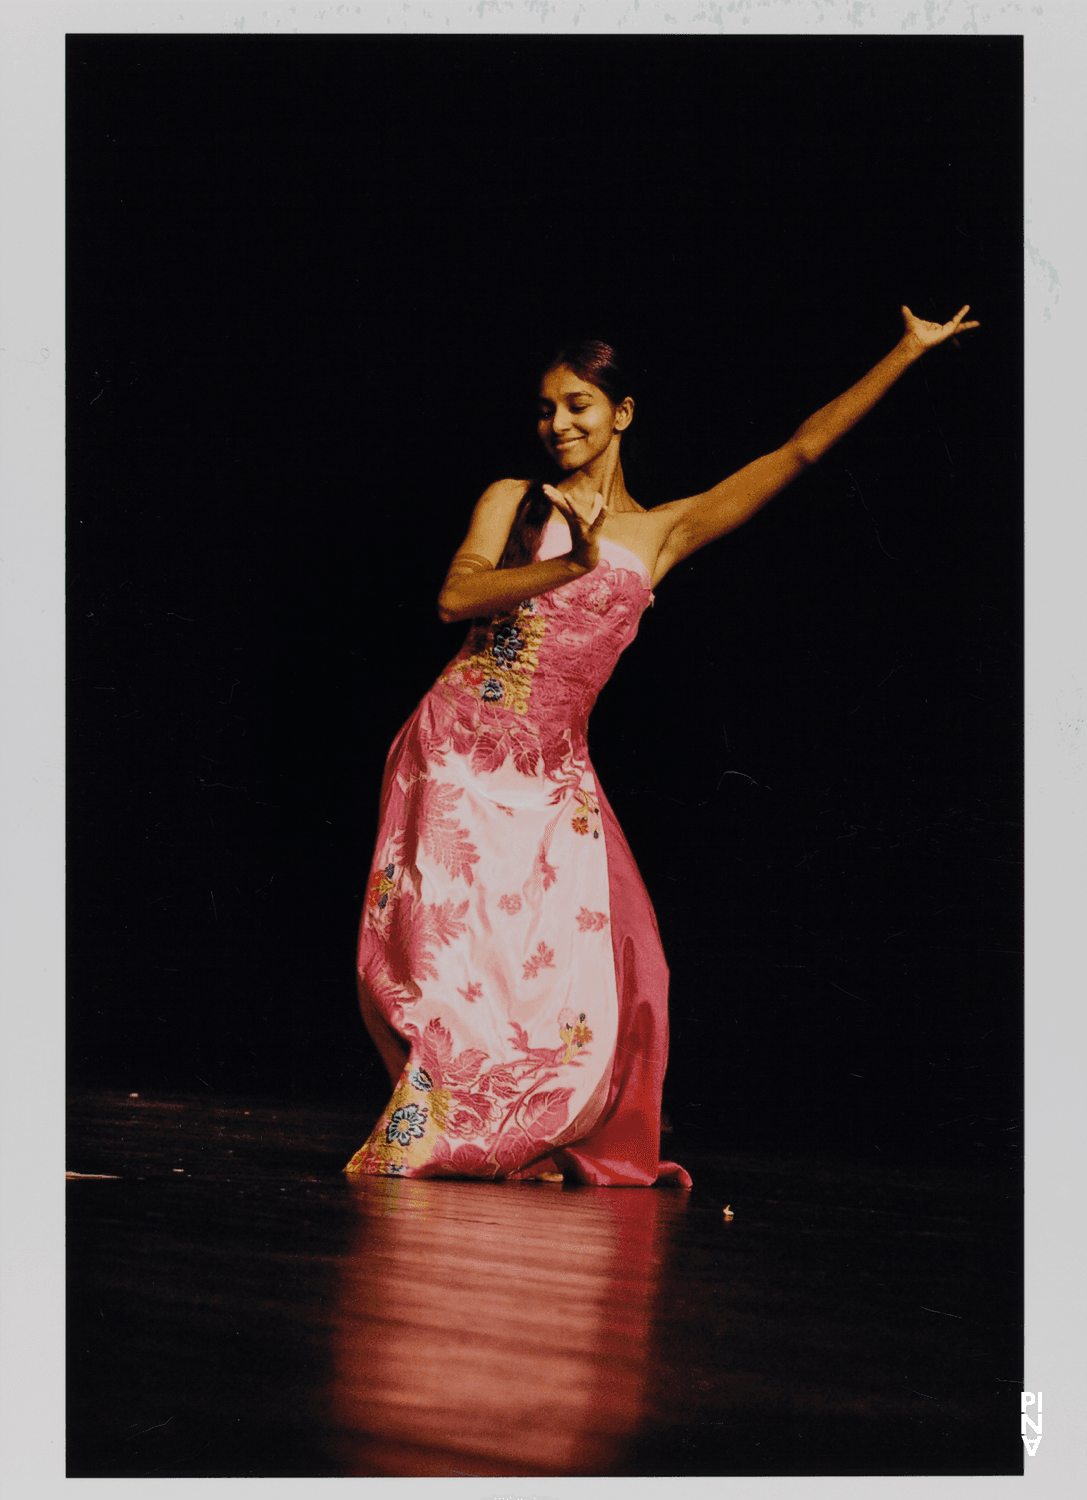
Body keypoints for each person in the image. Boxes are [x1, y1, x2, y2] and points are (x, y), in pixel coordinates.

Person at [344, 304, 979, 1186]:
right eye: (544, 409)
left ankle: (515, 1132)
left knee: (598, 973)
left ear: (622, 414)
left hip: (554, 773)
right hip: (458, 751)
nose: (556, 424)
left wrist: (905, 353)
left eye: (576, 405)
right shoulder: (515, 502)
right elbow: (456, 599)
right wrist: (568, 564)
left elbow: (795, 453)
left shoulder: (661, 533)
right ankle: (434, 1123)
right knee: (450, 958)